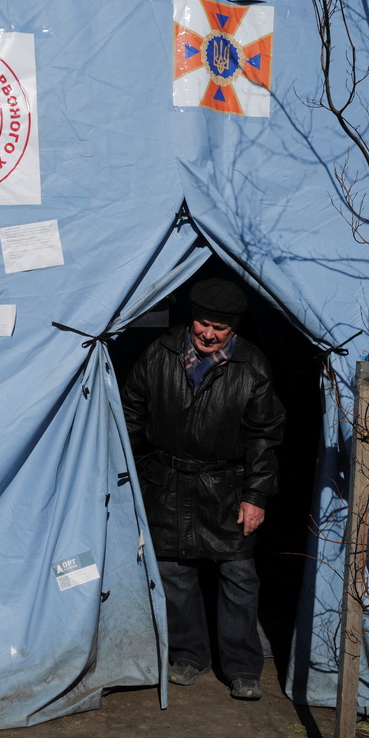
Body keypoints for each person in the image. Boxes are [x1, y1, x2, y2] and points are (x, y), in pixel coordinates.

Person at [121, 278, 285, 700]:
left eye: (220, 328)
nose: (209, 334)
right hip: (166, 481)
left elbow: (265, 436)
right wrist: (128, 474)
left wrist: (255, 496)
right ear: (192, 318)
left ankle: (242, 667)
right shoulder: (159, 353)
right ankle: (189, 654)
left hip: (226, 485)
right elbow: (131, 414)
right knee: (173, 572)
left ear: (234, 329)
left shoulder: (252, 365)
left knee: (238, 575)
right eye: (203, 324)